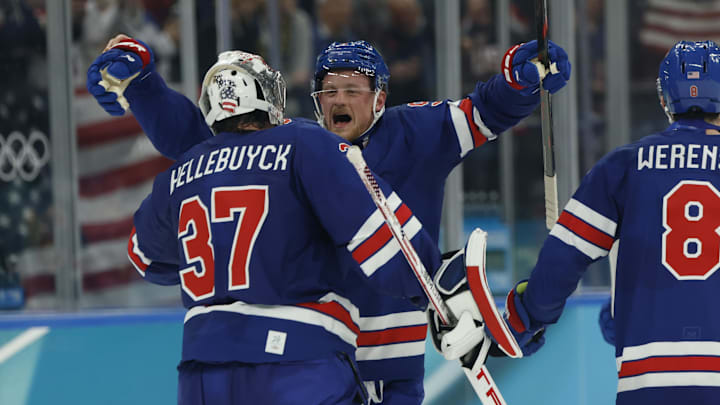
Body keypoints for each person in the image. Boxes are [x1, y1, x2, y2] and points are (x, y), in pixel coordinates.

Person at [88, 35, 571, 404]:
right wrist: (436, 287)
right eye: (328, 89)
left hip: (379, 353)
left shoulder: (416, 131)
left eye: (353, 89)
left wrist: (518, 81)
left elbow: (484, 111)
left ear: (380, 97)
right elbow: (213, 143)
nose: (339, 99)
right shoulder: (298, 144)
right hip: (316, 353)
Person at [119, 45, 448, 404]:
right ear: (266, 95)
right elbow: (381, 237)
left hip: (201, 370)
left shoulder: (179, 174)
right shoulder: (303, 142)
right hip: (297, 361)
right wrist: (439, 290)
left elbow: (144, 257)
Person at [478, 40, 720, 404]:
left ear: (662, 98)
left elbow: (564, 258)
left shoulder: (624, 166)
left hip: (648, 379)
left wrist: (526, 316)